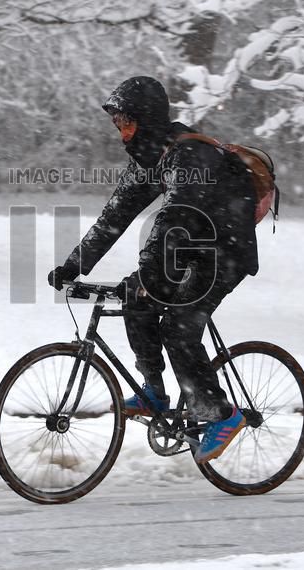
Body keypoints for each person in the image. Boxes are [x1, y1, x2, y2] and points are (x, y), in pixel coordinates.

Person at [47, 76, 259, 463]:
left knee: (179, 327)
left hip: (225, 251)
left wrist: (148, 273)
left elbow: (174, 218)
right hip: (188, 248)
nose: (122, 133)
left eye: (126, 123)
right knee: (134, 296)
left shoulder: (191, 155)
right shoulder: (151, 158)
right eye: (118, 125)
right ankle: (154, 390)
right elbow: (114, 217)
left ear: (145, 119)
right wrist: (73, 265)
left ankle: (221, 415)